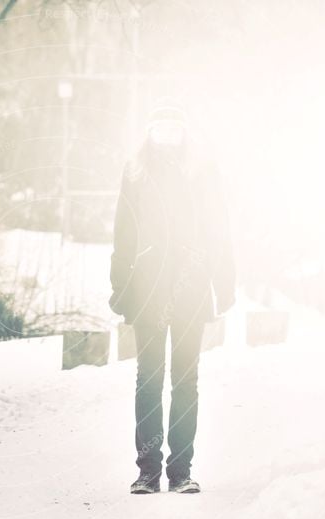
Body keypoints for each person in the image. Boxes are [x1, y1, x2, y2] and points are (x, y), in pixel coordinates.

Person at [109, 100, 236, 494]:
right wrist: (121, 287)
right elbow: (123, 232)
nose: (166, 135)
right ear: (149, 133)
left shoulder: (202, 173)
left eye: (173, 128)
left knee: (185, 379)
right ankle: (147, 472)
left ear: (184, 133)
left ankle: (181, 472)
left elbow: (219, 230)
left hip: (192, 289)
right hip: (147, 289)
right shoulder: (135, 173)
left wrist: (224, 284)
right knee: (148, 379)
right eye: (159, 128)